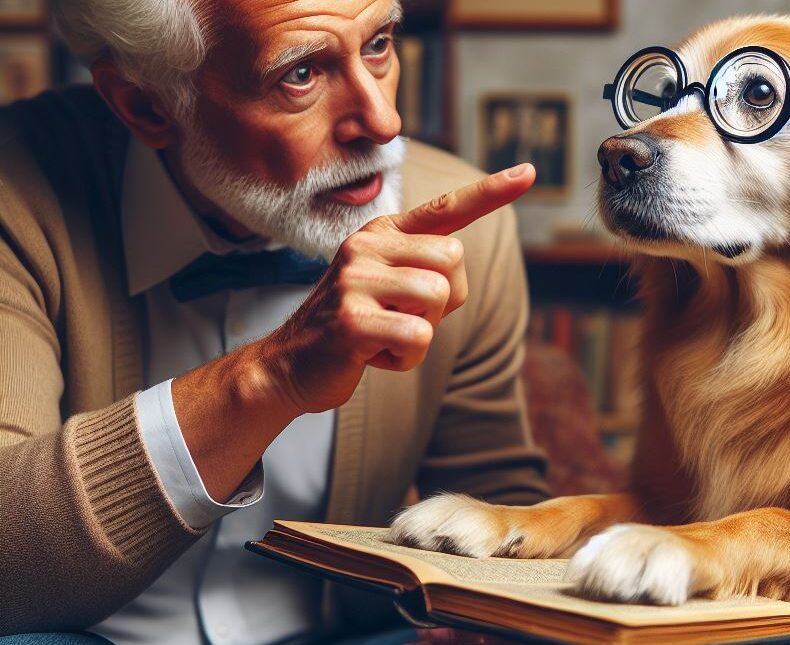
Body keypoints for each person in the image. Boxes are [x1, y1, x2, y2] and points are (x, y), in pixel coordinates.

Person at [0, 0, 549, 643]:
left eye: (379, 45)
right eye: (300, 76)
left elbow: (497, 503)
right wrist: (275, 373)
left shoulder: (462, 230)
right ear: (147, 106)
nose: (382, 120)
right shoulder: (17, 194)